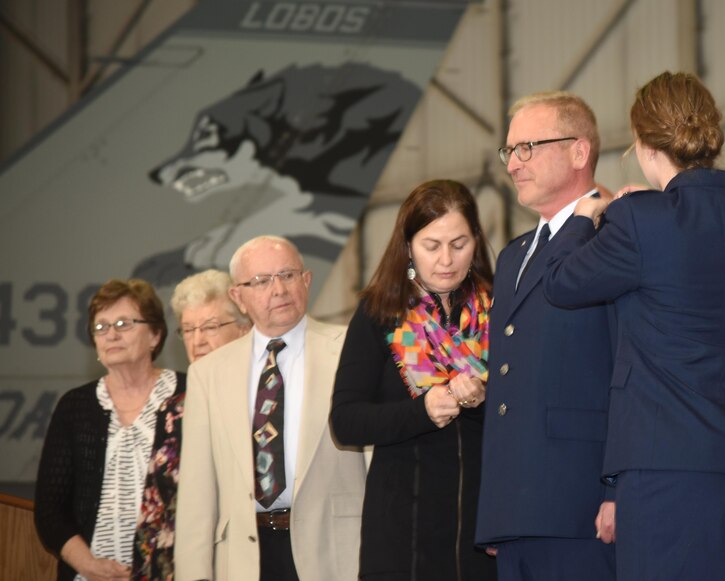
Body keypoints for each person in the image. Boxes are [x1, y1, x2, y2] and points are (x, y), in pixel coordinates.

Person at [542, 72, 725, 581]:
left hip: (666, 468)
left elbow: (561, 283)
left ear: (642, 145)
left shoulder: (636, 222)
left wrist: (589, 215)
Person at [475, 92, 617, 580]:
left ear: (579, 152)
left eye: (528, 147)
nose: (514, 164)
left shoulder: (614, 238)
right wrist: (498, 512)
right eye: (510, 151)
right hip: (517, 516)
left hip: (581, 507)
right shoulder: (513, 255)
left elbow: (627, 370)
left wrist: (617, 489)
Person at [329, 180, 496, 580]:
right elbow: (346, 422)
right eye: (431, 245)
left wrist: (483, 400)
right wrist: (421, 411)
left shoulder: (502, 307)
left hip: (482, 533)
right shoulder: (379, 312)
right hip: (402, 537)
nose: (446, 260)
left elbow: (524, 415)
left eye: (459, 244)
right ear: (408, 246)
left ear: (476, 240)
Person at [175, 236, 366, 581]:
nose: (278, 290)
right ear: (238, 297)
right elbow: (196, 495)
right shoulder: (208, 373)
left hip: (336, 553)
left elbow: (375, 462)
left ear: (306, 281)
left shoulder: (352, 349)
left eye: (288, 276)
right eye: (261, 281)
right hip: (243, 558)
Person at [35, 279, 181, 581]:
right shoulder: (75, 407)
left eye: (123, 323)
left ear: (154, 334)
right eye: (100, 327)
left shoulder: (188, 395)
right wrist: (87, 564)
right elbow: (50, 510)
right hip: (88, 575)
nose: (111, 334)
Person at [131, 269, 251, 581]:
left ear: (243, 329)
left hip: (238, 560)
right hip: (175, 565)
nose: (197, 341)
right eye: (188, 329)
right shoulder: (173, 410)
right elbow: (154, 510)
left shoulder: (258, 402)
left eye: (210, 327)